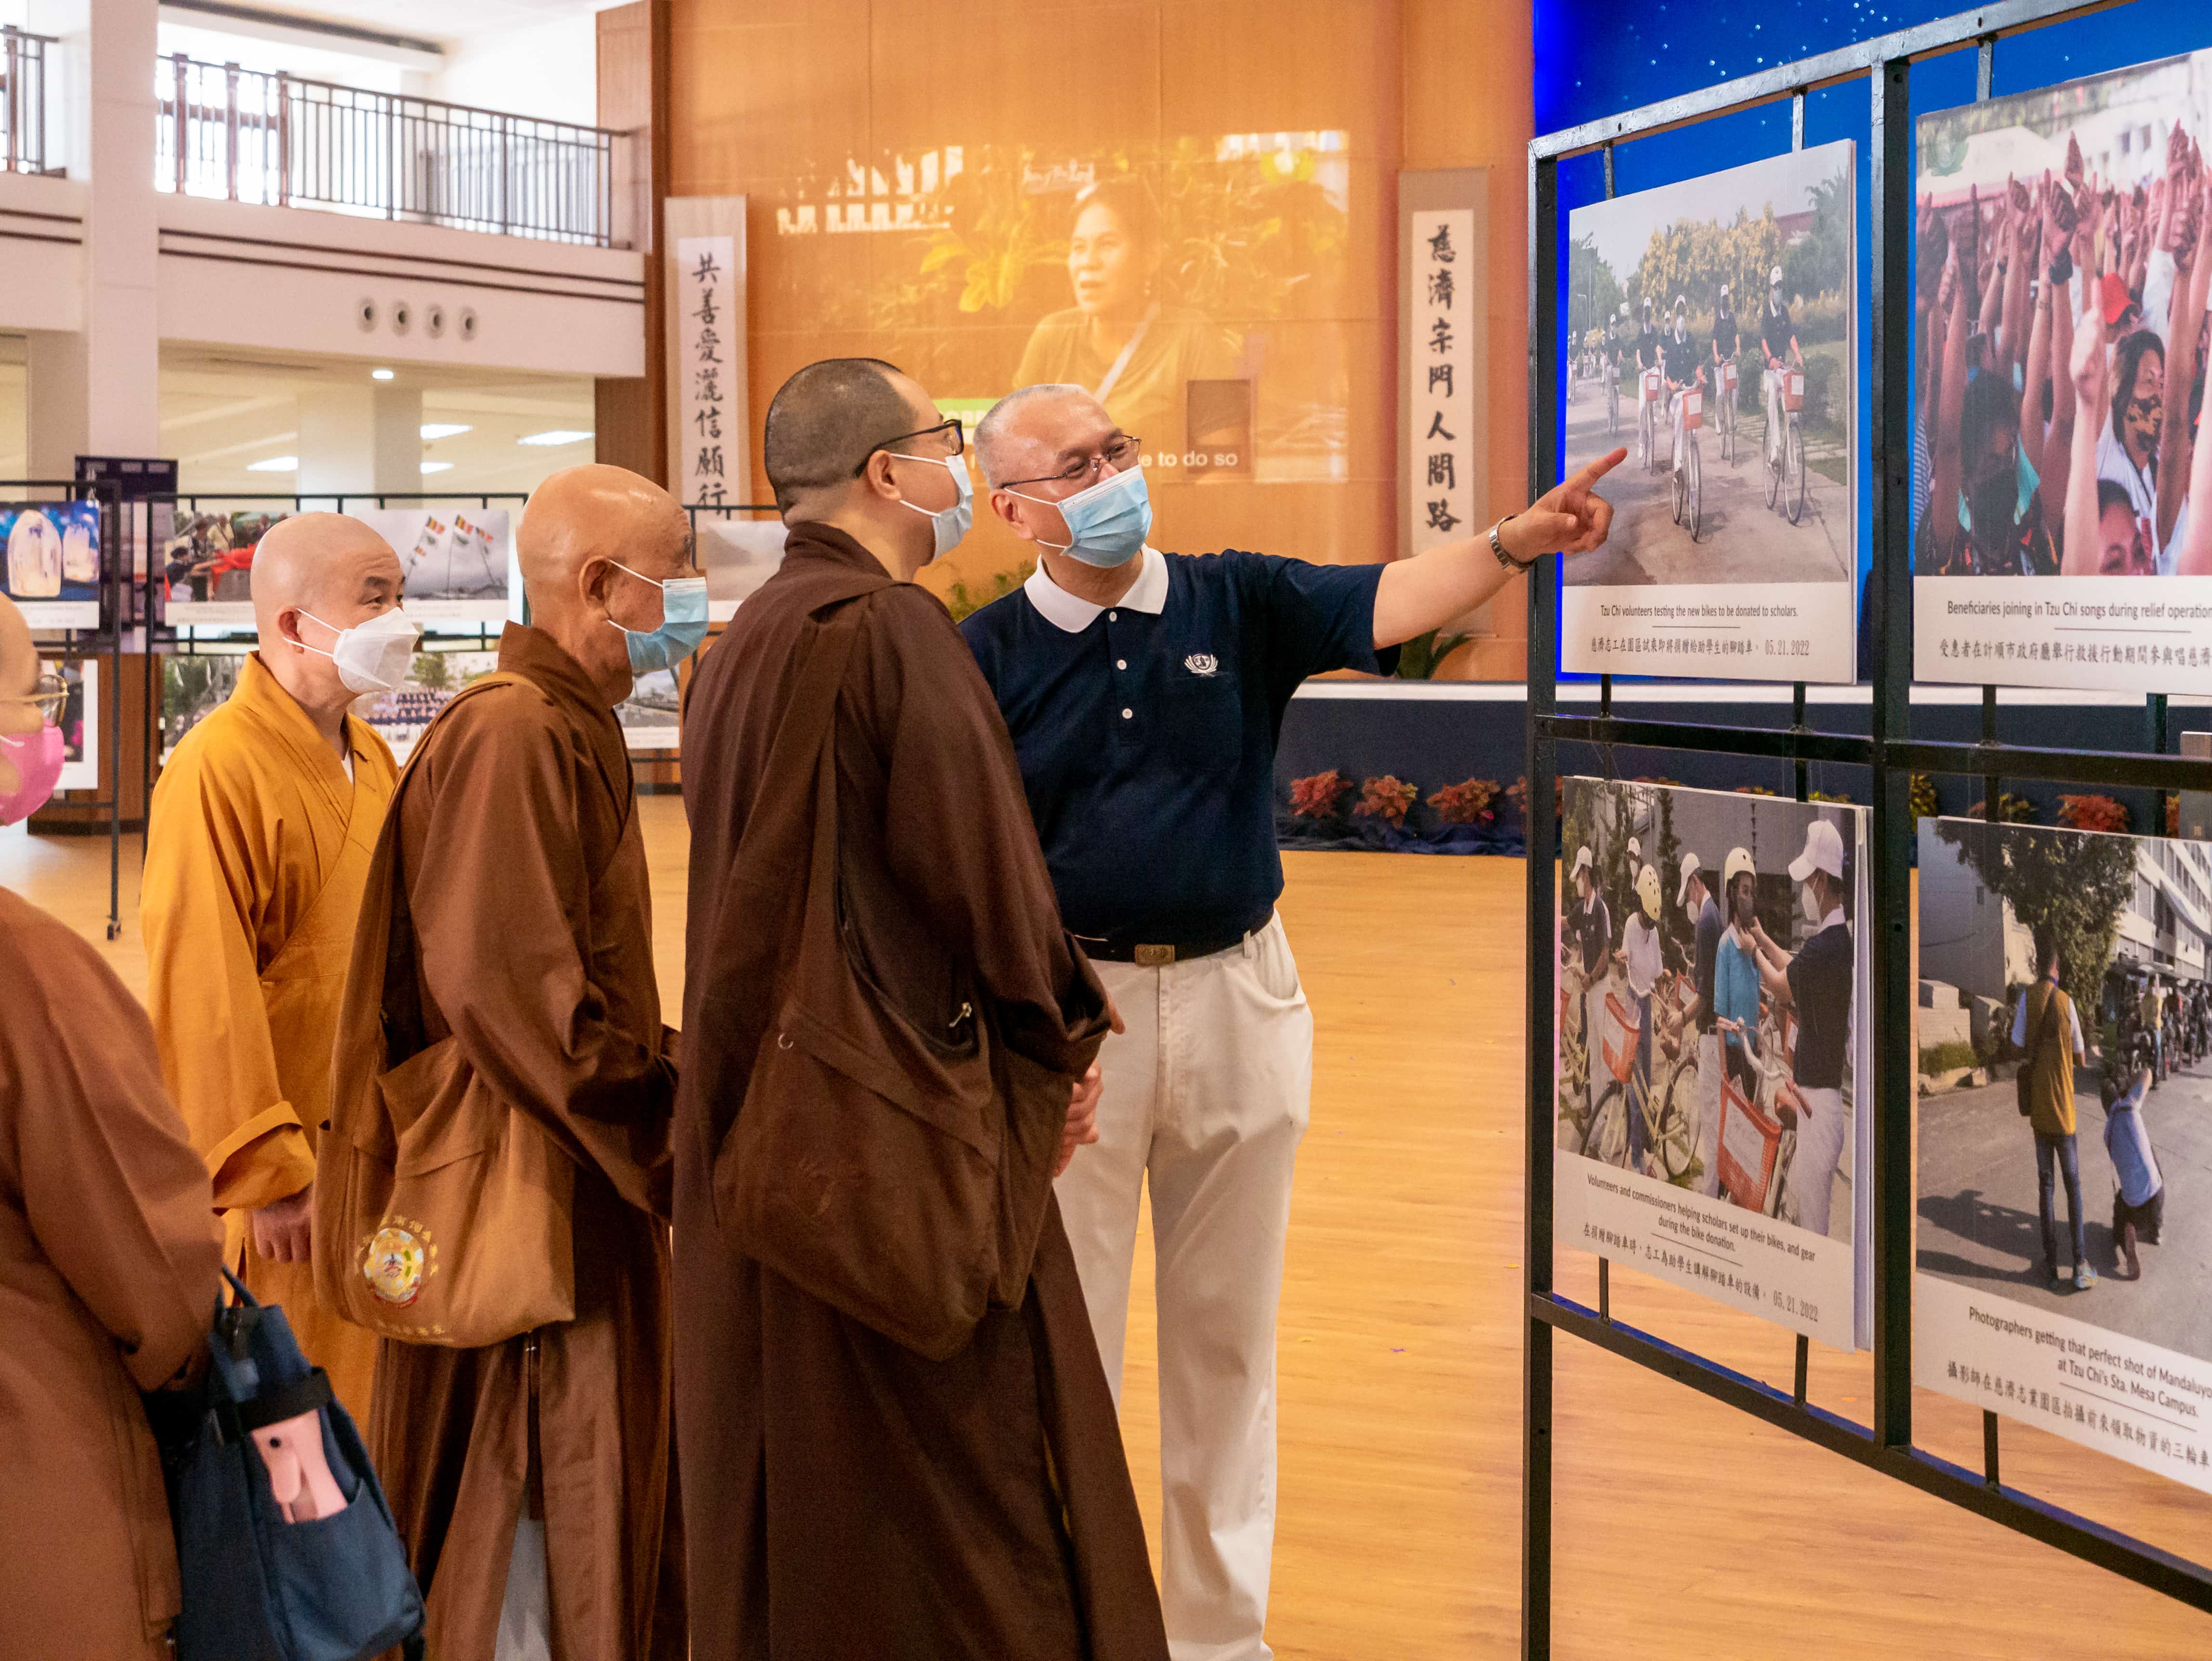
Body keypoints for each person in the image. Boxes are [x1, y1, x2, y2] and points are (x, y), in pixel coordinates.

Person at [960, 380, 1620, 1658]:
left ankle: (1217, 1637)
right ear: (1013, 508)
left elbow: (1389, 599)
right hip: (1069, 1031)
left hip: (1239, 997)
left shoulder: (1235, 598)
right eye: (1076, 466)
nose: (1110, 478)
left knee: (1227, 1348)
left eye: (1118, 451)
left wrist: (1509, 544)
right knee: (1066, 1352)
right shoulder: (977, 659)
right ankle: (1078, 1626)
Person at [674, 358, 1169, 1660]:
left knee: (827, 1478)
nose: (959, 470)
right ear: (892, 474)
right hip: (903, 1136)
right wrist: (1059, 1053)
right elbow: (991, 882)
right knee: (977, 1491)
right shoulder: (889, 631)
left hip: (780, 1120)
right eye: (946, 443)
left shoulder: (743, 647)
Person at [326, 465, 694, 1658]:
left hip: (576, 1182)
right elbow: (508, 996)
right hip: (536, 1208)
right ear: (601, 585)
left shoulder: (561, 723)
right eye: (675, 569)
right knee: (535, 1521)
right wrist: (671, 1120)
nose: (688, 596)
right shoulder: (512, 730)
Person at [140, 513, 415, 1426]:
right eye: (375, 599)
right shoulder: (215, 768)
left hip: (374, 1143)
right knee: (296, 1408)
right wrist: (265, 1168)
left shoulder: (370, 754)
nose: (400, 618)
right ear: (295, 624)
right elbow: (201, 986)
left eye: (401, 595)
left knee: (378, 1395)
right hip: (287, 1170)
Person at [0, 593, 225, 1661]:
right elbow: (150, 1253)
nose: (45, 725)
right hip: (35, 1483)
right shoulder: (27, 971)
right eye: (32, 694)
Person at [1014, 178, 1241, 470]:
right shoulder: (1051, 336)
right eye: (1079, 247)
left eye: (1107, 245)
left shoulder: (1192, 337)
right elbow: (1016, 459)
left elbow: (1226, 469)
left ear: (1150, 257)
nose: (1088, 262)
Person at [1744, 817, 1855, 1236]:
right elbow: (1796, 967)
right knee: (1811, 1219)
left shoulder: (1827, 947)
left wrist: (1752, 950)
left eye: (1809, 882)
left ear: (1823, 881)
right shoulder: (1833, 942)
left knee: (1814, 1230)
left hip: (1818, 1106)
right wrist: (1765, 938)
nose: (1805, 891)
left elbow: (1781, 985)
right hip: (1818, 1101)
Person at [2013, 929, 2094, 1291]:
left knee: (2046, 1187)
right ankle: (2079, 1265)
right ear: (2057, 966)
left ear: (2037, 965)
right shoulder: (2067, 1003)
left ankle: (2050, 1267)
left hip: (2040, 1115)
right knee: (2072, 1186)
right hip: (2066, 1115)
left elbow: (2016, 1045)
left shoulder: (2027, 1000)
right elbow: (2080, 1057)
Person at [1672, 851, 1724, 1200]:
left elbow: (1705, 995)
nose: (1688, 901)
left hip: (1708, 1032)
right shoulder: (1711, 915)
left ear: (1695, 882)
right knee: (1712, 1113)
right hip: (1711, 1029)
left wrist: (1681, 1018)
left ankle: (1711, 1189)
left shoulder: (1707, 921)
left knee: (1710, 1114)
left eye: (1688, 892)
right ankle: (1714, 1184)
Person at [1616, 863, 1664, 1173]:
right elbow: (1625, 968)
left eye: (1652, 922)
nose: (1648, 926)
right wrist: (1621, 964)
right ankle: (1636, 1160)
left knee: (1646, 1082)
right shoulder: (1633, 926)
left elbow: (1657, 973)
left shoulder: (1653, 931)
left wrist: (1662, 998)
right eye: (1647, 919)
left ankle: (1644, 1142)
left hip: (1648, 1005)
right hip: (1633, 1004)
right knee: (1634, 1087)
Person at [1564, 844, 1613, 1130]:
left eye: (1580, 877)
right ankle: (1597, 1115)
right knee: (1593, 1054)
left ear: (1587, 873)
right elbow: (1566, 923)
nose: (1578, 884)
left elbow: (1606, 953)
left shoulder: (1600, 909)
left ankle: (1606, 1116)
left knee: (1603, 1056)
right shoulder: (1582, 909)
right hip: (1589, 989)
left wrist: (1590, 978)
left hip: (1600, 989)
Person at [2102, 1066, 2164, 1282]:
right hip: (2155, 1198)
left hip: (2133, 1204)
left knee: (2121, 1205)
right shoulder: (2130, 1105)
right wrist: (2132, 1080)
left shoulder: (2107, 1134)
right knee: (2152, 1165)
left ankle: (2125, 1235)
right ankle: (2155, 1230)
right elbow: (2148, 1072)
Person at [1761, 264, 1802, 471]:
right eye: (1776, 287)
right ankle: (1775, 451)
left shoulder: (1784, 312)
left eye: (1781, 287)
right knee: (1772, 400)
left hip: (1783, 368)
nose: (1779, 291)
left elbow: (1791, 336)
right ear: (1771, 288)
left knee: (1792, 402)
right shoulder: (1766, 313)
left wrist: (1798, 354)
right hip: (1770, 371)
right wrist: (1770, 359)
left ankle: (1792, 433)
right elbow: (1764, 341)